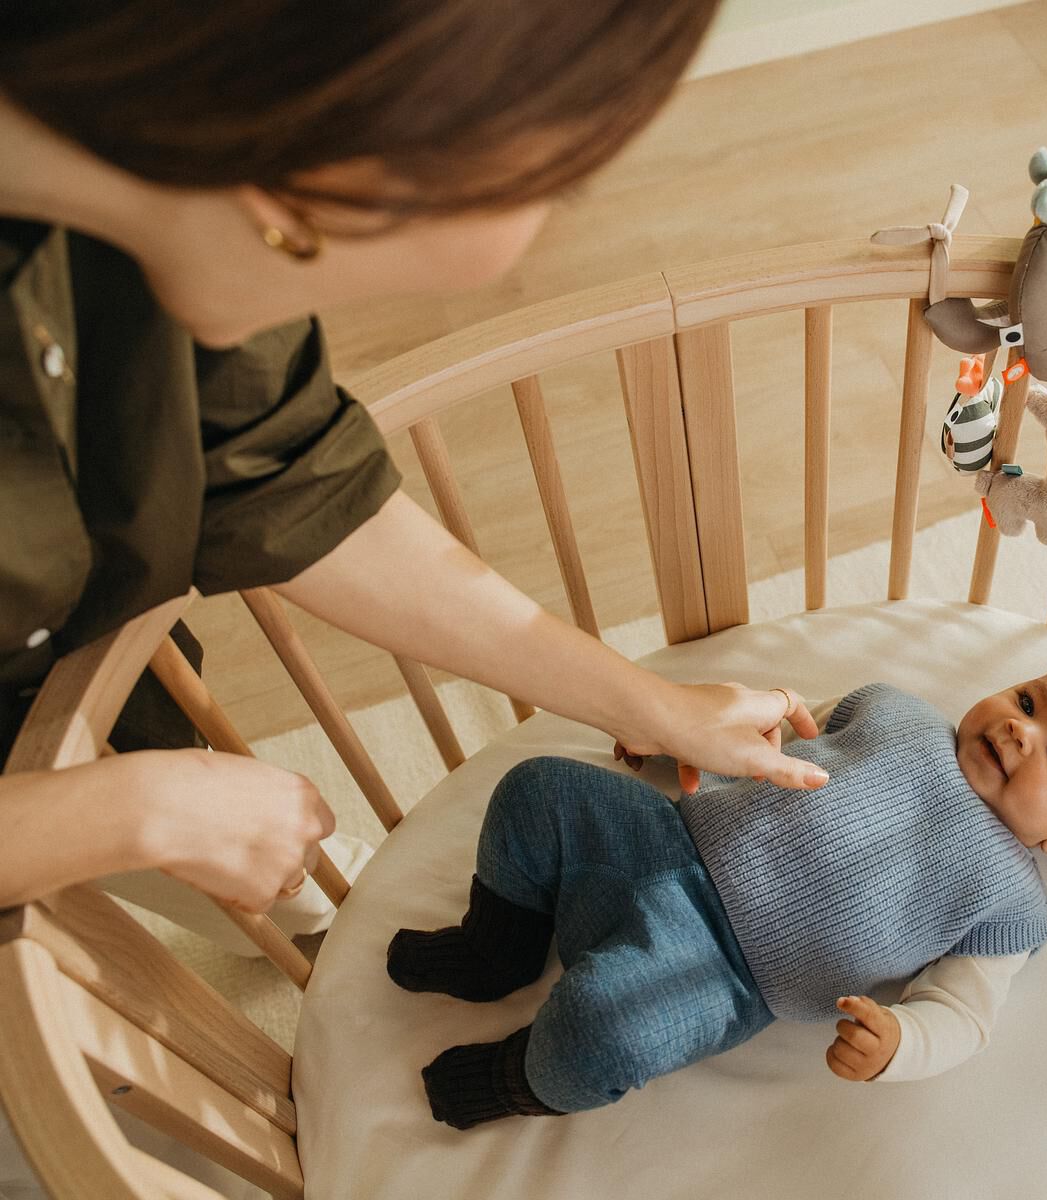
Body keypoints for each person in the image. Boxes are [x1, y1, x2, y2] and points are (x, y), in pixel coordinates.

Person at [0, 0, 829, 951]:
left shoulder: (178, 175)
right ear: (289, 196)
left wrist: (657, 706)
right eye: (322, 273)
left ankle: (289, 909)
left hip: (71, 674)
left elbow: (291, 478)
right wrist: (126, 812)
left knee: (240, 862)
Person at [387, 662, 1047, 1127]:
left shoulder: (1009, 902)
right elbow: (764, 743)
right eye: (1028, 701)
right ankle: (497, 948)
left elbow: (966, 1017)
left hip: (721, 975)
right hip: (662, 839)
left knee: (605, 1031)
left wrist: (900, 1045)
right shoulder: (895, 711)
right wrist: (666, 734)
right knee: (534, 792)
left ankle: (514, 1079)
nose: (1020, 731)